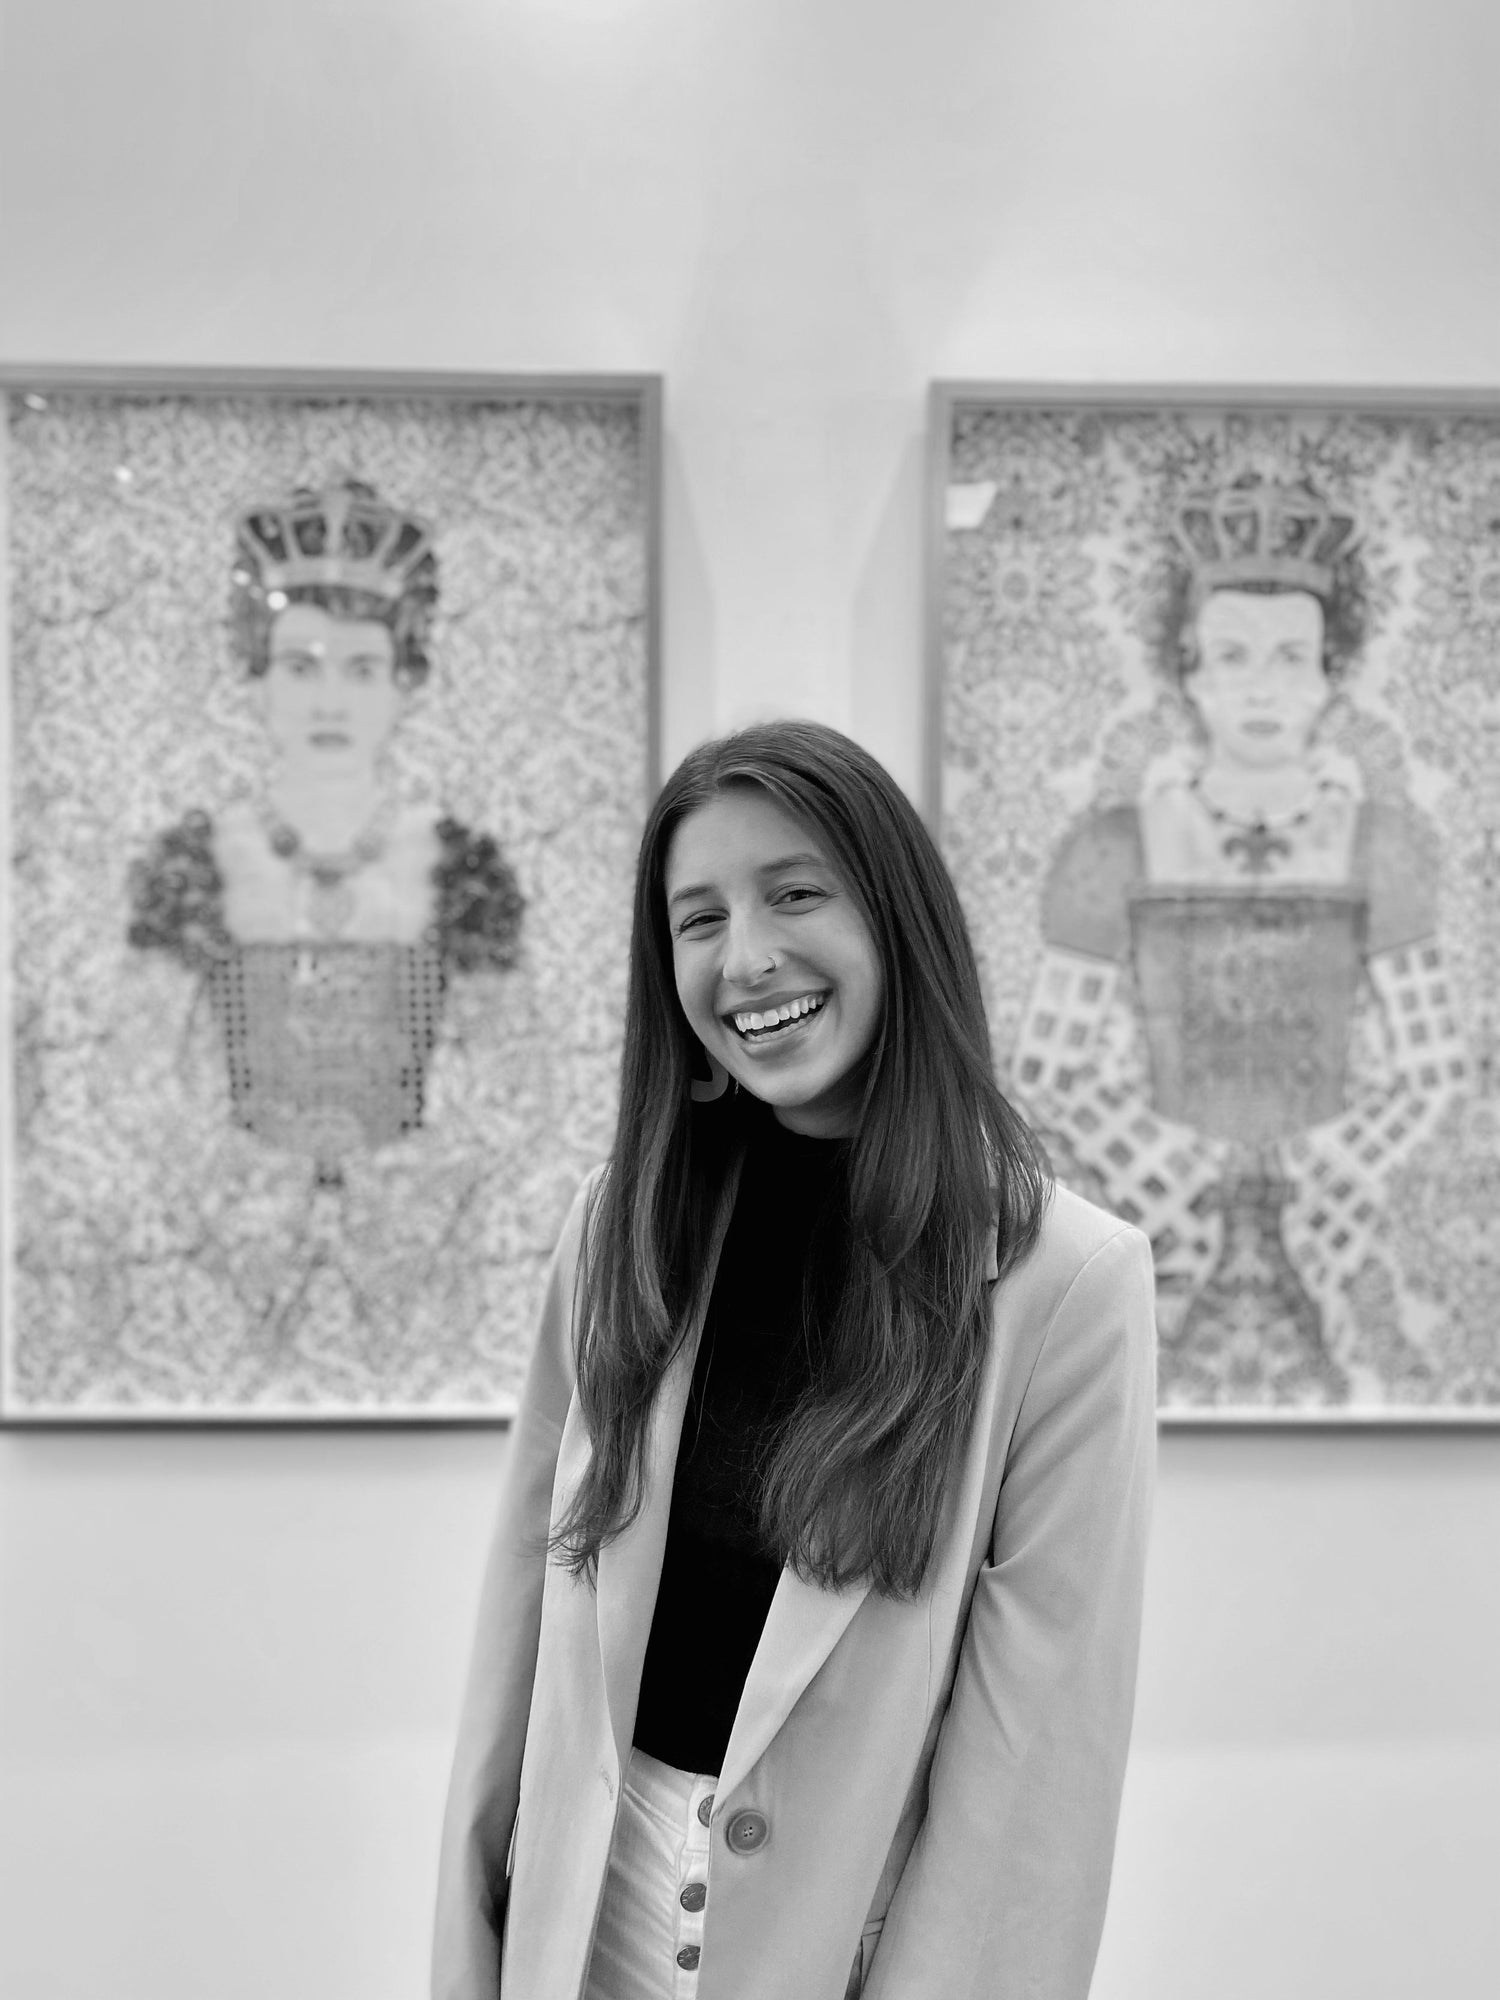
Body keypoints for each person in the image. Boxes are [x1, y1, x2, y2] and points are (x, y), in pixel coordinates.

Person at [434, 719, 1156, 2000]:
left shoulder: (1066, 1280)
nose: (746, 956)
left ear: (895, 918)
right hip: (581, 1906)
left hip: (842, 1942)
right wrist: (469, 1944)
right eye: (696, 917)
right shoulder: (622, 1224)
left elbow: (1033, 1763)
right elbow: (523, 1622)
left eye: (795, 891)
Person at [1012, 475, 1466, 1402]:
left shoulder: (1383, 845)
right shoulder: (1111, 846)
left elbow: (1429, 1067)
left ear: (1331, 673)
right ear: (1190, 670)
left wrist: (1318, 1175)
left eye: (1291, 656)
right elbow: (1053, 1069)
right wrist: (1184, 1178)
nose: (1262, 686)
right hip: (1162, 1225)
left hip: (1330, 1225)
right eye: (1232, 654)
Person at [127, 476, 524, 1187]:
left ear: (405, 683)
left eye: (362, 667)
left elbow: (512, 1077)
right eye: (300, 667)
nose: (330, 700)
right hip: (232, 1234)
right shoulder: (193, 863)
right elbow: (138, 1074)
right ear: (257, 679)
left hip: (418, 1234)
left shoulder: (462, 865)